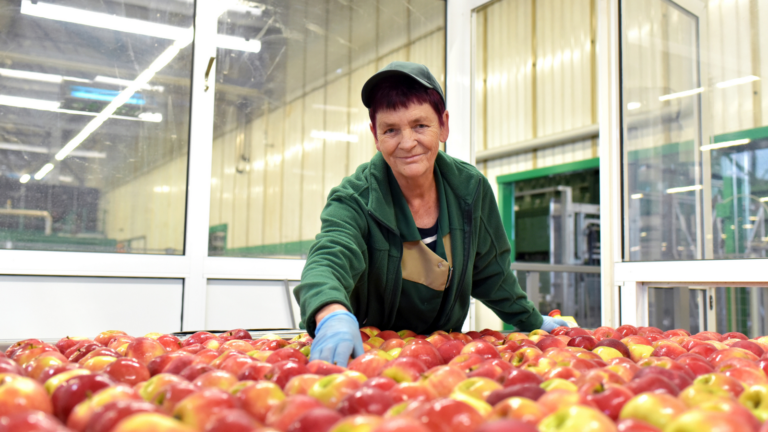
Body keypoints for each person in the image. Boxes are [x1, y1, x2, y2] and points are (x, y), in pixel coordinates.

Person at [293, 61, 568, 366]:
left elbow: (490, 273)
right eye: (391, 130)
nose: (408, 142)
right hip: (366, 359)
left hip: (445, 359)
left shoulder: (470, 189)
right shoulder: (356, 199)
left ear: (443, 125)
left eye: (420, 125)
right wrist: (332, 314)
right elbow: (330, 257)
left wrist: (531, 320)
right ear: (375, 135)